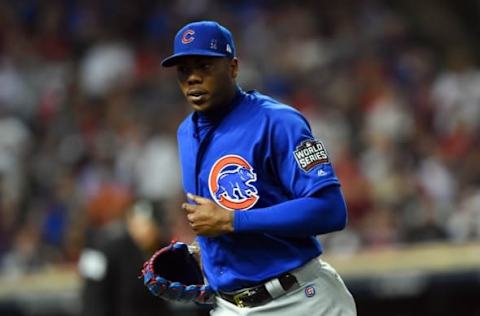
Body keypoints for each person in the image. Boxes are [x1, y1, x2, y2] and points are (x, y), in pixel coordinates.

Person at [162, 20, 357, 315]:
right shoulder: (185, 133)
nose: (192, 78)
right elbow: (222, 214)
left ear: (233, 67)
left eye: (204, 66)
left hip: (301, 300)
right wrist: (211, 257)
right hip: (229, 306)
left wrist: (234, 222)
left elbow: (331, 210)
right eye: (184, 70)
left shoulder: (280, 122)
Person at [79, 196, 172, 316]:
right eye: (138, 223)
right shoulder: (106, 248)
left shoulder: (164, 250)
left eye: (149, 224)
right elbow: (92, 297)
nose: (145, 230)